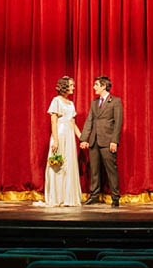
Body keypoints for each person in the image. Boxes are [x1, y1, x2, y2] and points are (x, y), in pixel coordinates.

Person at [80, 75, 122, 208]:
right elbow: (89, 121)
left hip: (108, 141)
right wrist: (84, 139)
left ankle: (115, 197)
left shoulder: (115, 101)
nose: (94, 87)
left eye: (96, 85)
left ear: (104, 86)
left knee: (111, 170)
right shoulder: (94, 103)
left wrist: (114, 141)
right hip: (94, 141)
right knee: (94, 170)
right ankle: (94, 196)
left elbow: (118, 123)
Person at [42, 75, 82, 207]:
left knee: (68, 165)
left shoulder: (71, 103)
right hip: (59, 134)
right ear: (65, 86)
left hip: (69, 137)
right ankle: (56, 197)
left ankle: (67, 197)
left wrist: (81, 138)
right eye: (71, 85)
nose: (73, 88)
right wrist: (56, 140)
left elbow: (73, 122)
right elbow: (53, 121)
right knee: (58, 165)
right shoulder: (56, 101)